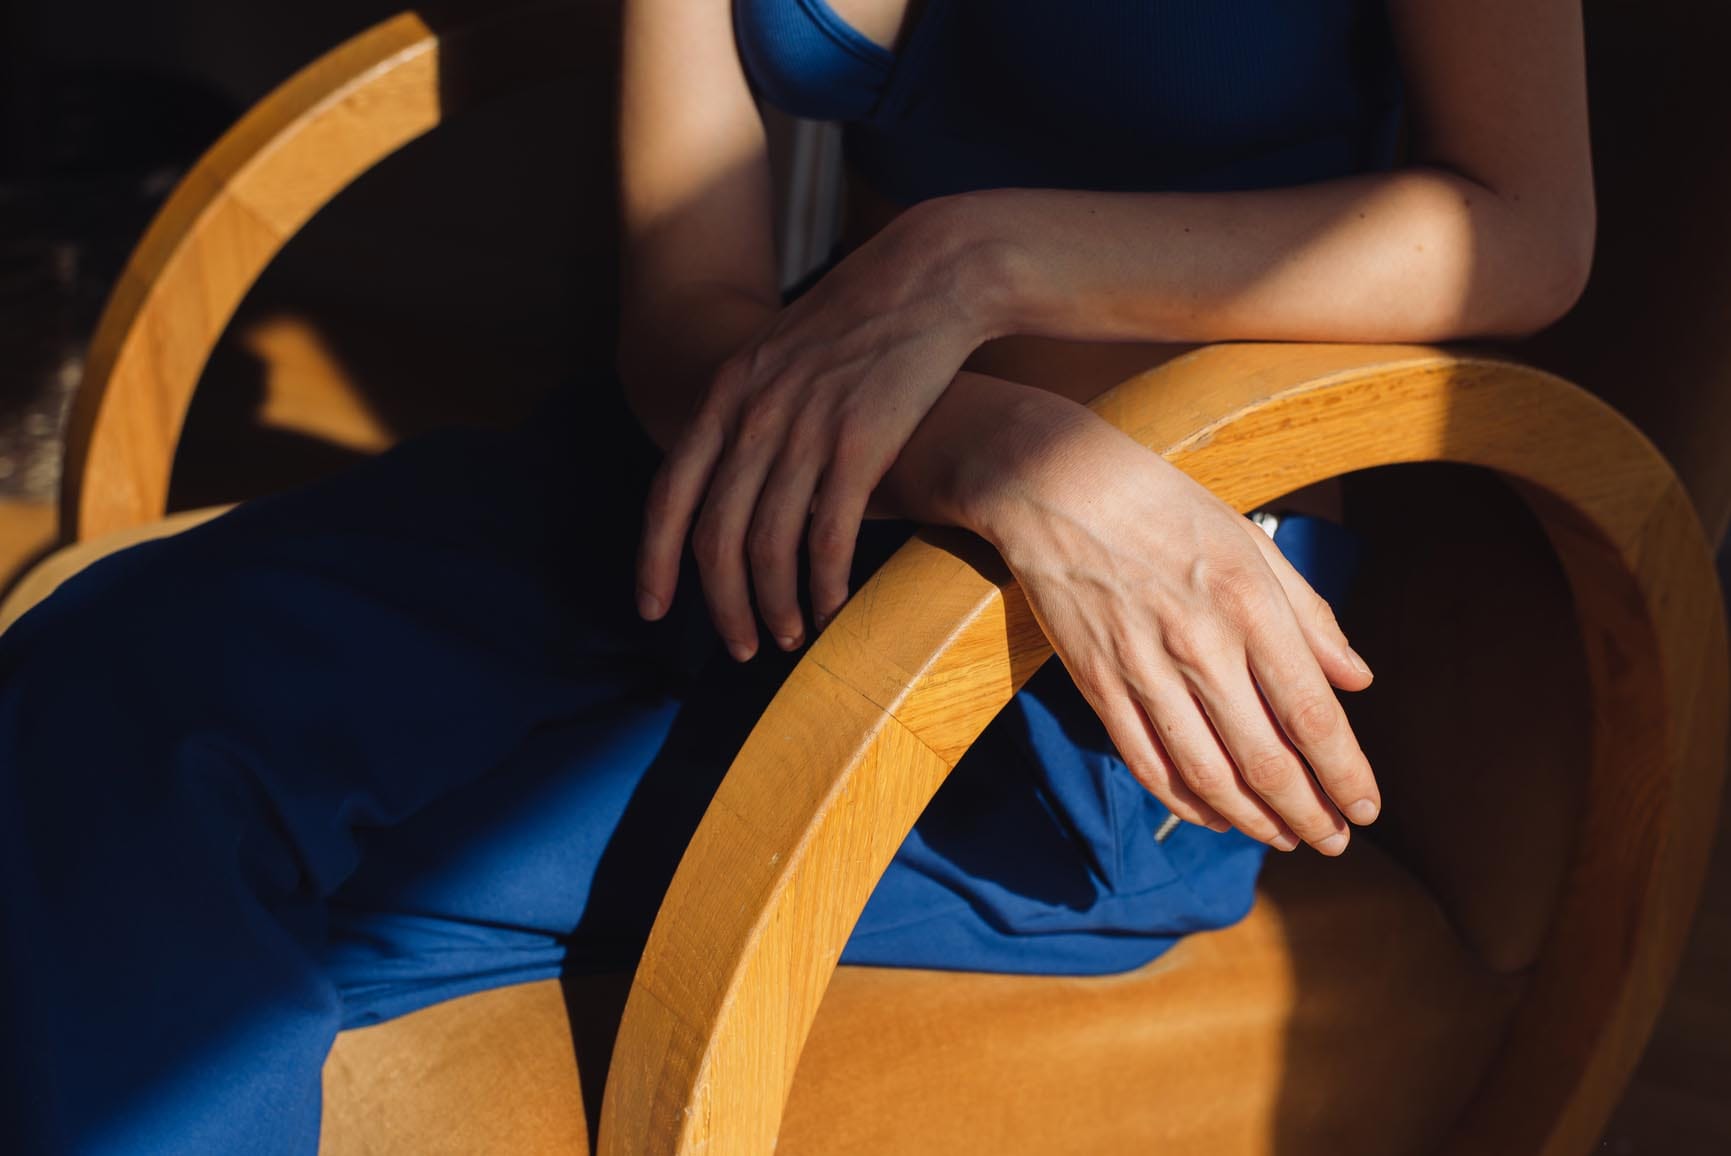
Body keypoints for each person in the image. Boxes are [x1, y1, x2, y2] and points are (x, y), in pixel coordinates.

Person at [0, 0, 1593, 1151]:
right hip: (757, 474)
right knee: (89, 690)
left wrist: (974, 262)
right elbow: (684, 313)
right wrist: (978, 437)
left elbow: (1525, 226)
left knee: (153, 919)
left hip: (1085, 649)